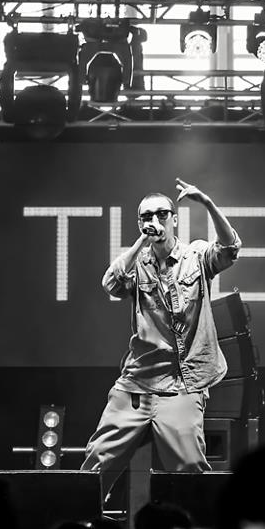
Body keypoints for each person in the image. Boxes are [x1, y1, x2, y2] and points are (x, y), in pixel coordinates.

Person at [82, 179, 241, 494]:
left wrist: (207, 203)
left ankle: (195, 525)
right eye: (146, 217)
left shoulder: (195, 255)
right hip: (138, 383)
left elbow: (230, 248)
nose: (154, 221)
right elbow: (111, 283)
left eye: (161, 214)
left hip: (183, 385)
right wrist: (142, 241)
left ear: (174, 219)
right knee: (97, 462)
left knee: (190, 472)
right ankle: (79, 521)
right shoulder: (136, 263)